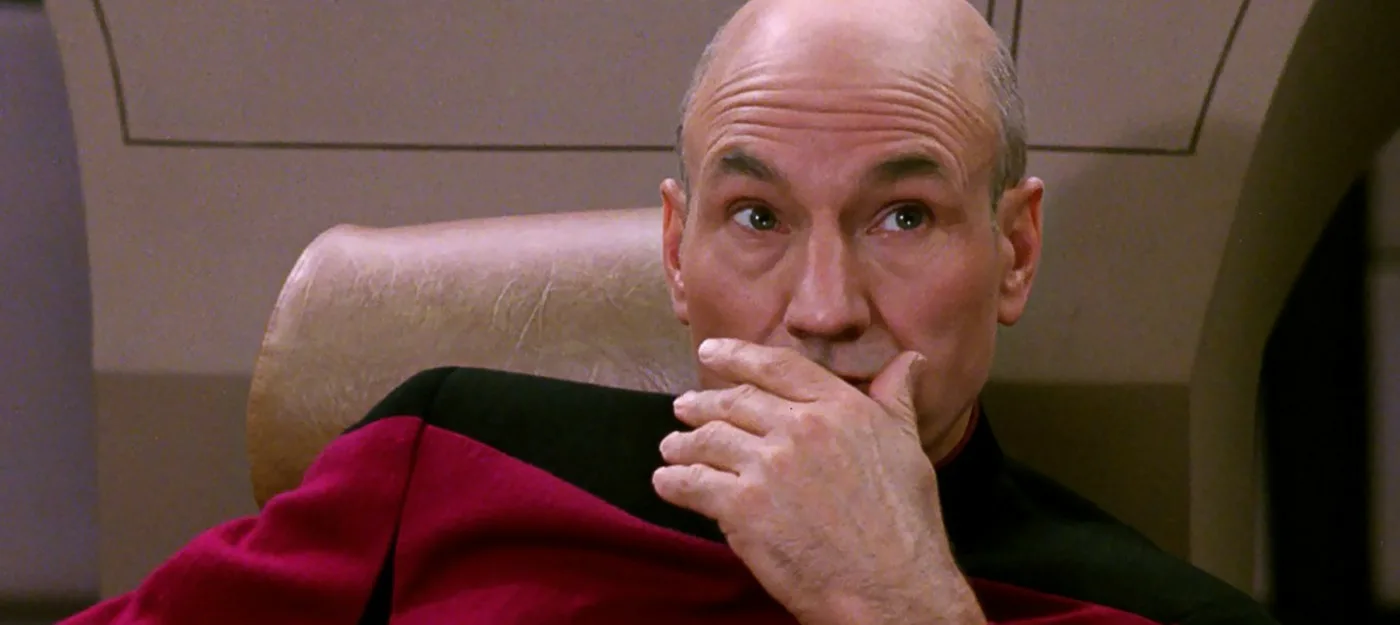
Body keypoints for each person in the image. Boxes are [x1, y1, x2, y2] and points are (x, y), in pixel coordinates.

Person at [63, 0, 1280, 623]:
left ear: (1012, 252)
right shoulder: (447, 456)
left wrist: (898, 600)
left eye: (901, 217)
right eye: (755, 216)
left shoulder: (1158, 614)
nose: (820, 310)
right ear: (674, 250)